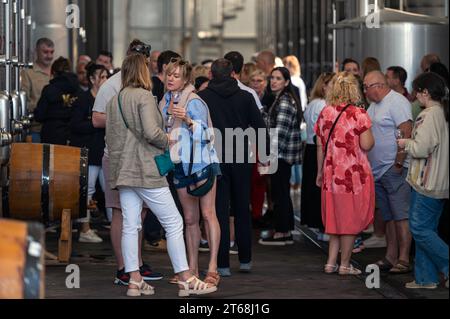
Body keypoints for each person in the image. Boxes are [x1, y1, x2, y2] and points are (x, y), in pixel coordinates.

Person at [106, 53, 217, 297]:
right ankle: (186, 277)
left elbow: (111, 138)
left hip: (123, 172)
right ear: (142, 71)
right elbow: (150, 132)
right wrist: (168, 139)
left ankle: (134, 280)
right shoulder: (145, 97)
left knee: (131, 225)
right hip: (145, 171)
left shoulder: (115, 100)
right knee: (174, 222)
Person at [93, 39, 163, 285]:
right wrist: (129, 120)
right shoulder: (111, 85)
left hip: (140, 157)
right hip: (117, 157)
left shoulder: (145, 85)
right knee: (120, 214)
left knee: (139, 214)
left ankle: (137, 264)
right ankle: (123, 267)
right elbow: (96, 119)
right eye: (140, 59)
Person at [198, 59, 267, 277]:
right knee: (242, 207)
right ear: (233, 75)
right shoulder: (246, 97)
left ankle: (222, 264)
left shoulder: (203, 98)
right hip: (241, 156)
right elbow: (259, 127)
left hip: (214, 156)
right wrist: (264, 156)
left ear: (211, 74)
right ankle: (245, 259)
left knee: (219, 210)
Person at [160, 58, 222, 286]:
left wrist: (187, 119)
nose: (171, 79)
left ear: (186, 79)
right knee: (189, 219)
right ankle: (191, 269)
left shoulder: (195, 102)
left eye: (176, 76)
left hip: (201, 164)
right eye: (169, 74)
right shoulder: (165, 100)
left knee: (208, 214)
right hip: (180, 165)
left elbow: (208, 136)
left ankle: (213, 267)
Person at [315, 72, 375, 275]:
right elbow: (367, 144)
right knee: (349, 221)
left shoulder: (325, 113)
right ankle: (344, 264)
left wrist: (319, 172)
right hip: (353, 177)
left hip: (330, 174)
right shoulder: (359, 114)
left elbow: (320, 146)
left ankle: (330, 263)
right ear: (353, 90)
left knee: (334, 218)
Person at [397, 72, 449, 290]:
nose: (416, 95)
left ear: (425, 92)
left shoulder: (428, 115)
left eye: (417, 91)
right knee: (427, 229)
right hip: (437, 182)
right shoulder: (441, 113)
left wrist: (405, 143)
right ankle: (425, 278)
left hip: (426, 182)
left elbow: (421, 148)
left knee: (419, 229)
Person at [365, 71, 413, 274]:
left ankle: (403, 258)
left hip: (393, 169)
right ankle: (391, 256)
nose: (365, 91)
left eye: (367, 86)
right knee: (389, 216)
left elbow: (406, 130)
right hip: (378, 171)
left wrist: (399, 163)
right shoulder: (374, 105)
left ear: (379, 85)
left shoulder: (397, 102)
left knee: (401, 216)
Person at [258, 67, 303, 246]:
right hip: (281, 154)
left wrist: (271, 157)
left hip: (281, 155)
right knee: (281, 191)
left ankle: (282, 232)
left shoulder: (284, 101)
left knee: (280, 193)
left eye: (278, 78)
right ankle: (286, 228)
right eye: (272, 78)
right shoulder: (278, 99)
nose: (273, 81)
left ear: (286, 82)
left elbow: (280, 134)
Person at [70, 63, 109, 243]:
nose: (104, 80)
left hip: (106, 152)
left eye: (106, 76)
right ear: (92, 79)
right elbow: (74, 125)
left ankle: (119, 227)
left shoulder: (110, 99)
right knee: (88, 190)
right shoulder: (83, 99)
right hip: (89, 151)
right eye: (101, 77)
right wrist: (95, 124)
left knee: (111, 190)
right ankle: (84, 229)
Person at [301, 73, 335, 239]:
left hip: (311, 148)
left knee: (312, 188)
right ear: (324, 86)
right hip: (318, 148)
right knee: (319, 188)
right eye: (333, 84)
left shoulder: (313, 102)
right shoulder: (323, 104)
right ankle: (321, 226)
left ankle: (315, 223)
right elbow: (322, 133)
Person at [34, 57, 79, 146]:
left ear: (53, 72)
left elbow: (39, 115)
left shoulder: (49, 89)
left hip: (51, 135)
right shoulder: (78, 89)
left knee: (51, 159)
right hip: (73, 134)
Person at [21, 38, 55, 143]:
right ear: (36, 51)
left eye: (51, 52)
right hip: (36, 129)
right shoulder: (28, 73)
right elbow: (24, 101)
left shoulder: (57, 72)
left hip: (56, 129)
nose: (49, 56)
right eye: (45, 52)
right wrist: (44, 108)